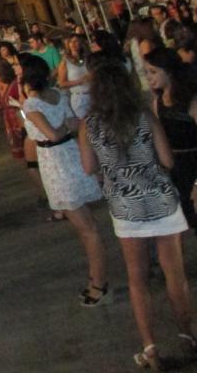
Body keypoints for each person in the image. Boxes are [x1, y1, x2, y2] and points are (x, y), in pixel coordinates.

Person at [78, 58, 195, 370]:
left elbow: (88, 167)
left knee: (137, 278)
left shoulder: (89, 125)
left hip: (126, 207)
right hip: (161, 200)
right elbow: (167, 160)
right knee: (175, 273)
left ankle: (150, 346)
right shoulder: (144, 115)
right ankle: (188, 335)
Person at [20, 58, 107, 304]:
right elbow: (73, 123)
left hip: (57, 165)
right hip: (70, 155)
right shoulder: (57, 95)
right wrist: (66, 127)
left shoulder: (31, 104)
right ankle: (95, 279)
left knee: (87, 229)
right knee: (87, 227)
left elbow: (53, 133)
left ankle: (99, 284)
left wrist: (61, 128)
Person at [144, 46, 197, 229]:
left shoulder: (191, 101)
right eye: (146, 72)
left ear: (169, 72)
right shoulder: (158, 102)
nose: (148, 77)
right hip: (176, 168)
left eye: (153, 72)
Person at [57, 33, 91, 119]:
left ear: (81, 43)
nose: (73, 44)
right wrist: (79, 81)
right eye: (70, 42)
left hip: (92, 94)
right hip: (79, 98)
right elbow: (61, 83)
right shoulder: (65, 61)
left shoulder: (87, 58)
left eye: (76, 41)